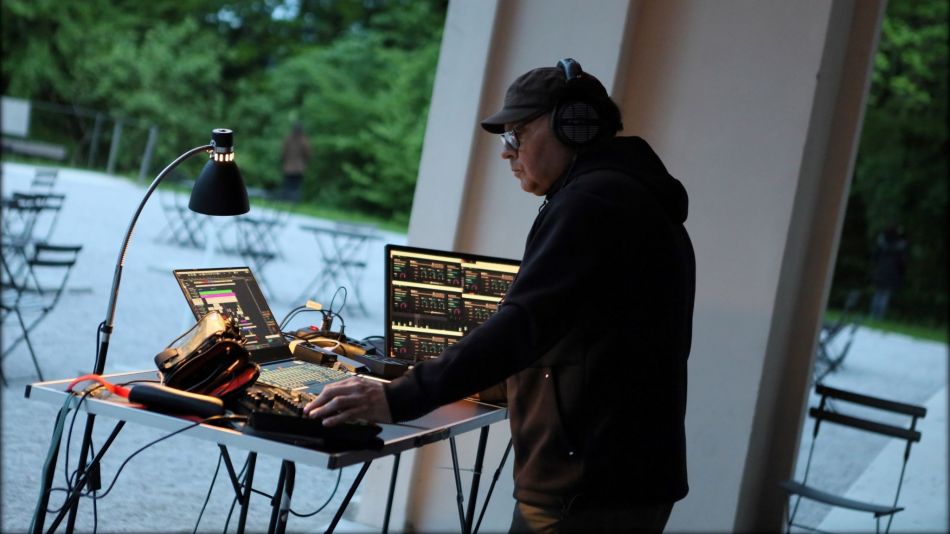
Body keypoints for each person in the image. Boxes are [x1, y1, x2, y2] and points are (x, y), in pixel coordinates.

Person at [304, 58, 695, 533]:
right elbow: (580, 337)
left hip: (587, 485)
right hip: (618, 474)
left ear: (572, 126)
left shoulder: (592, 202)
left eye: (518, 134)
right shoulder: (627, 195)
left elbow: (523, 324)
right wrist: (464, 379)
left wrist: (399, 398)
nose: (507, 152)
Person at [869, 223, 908, 320]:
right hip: (891, 274)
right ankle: (879, 317)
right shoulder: (900, 246)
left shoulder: (881, 243)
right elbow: (902, 263)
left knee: (878, 294)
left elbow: (874, 257)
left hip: (880, 271)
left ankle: (873, 315)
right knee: (884, 296)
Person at [280, 121, 312, 202]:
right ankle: (293, 201)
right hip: (299, 168)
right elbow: (308, 154)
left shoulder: (288, 139)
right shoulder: (303, 140)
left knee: (288, 185)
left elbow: (283, 153)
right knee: (295, 186)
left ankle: (287, 200)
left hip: (288, 167)